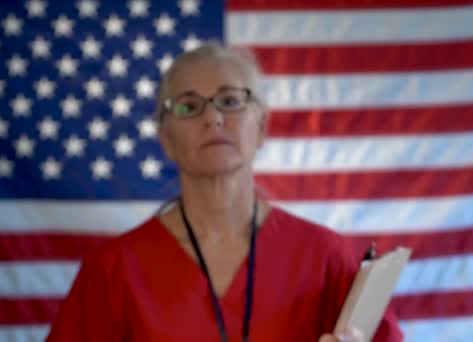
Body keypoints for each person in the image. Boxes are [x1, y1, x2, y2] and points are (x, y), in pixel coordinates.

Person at [46, 42, 403, 342]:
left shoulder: (328, 259)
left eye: (230, 101)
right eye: (188, 106)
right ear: (166, 139)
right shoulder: (113, 273)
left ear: (262, 126)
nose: (212, 118)